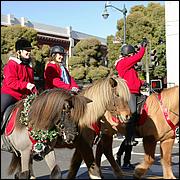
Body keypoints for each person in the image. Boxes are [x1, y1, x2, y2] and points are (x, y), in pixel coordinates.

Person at [115, 39, 148, 168]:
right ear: (128, 55)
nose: (134, 57)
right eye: (132, 54)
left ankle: (123, 155)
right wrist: (142, 48)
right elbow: (139, 56)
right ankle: (129, 139)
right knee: (132, 114)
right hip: (129, 93)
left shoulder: (130, 67)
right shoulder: (123, 63)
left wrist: (142, 83)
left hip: (137, 92)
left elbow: (133, 80)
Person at [1, 38, 37, 132]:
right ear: (19, 52)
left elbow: (31, 84)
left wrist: (35, 93)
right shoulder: (11, 64)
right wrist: (26, 85)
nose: (29, 52)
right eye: (27, 50)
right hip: (10, 94)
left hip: (23, 97)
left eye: (30, 50)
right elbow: (10, 82)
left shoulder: (29, 67)